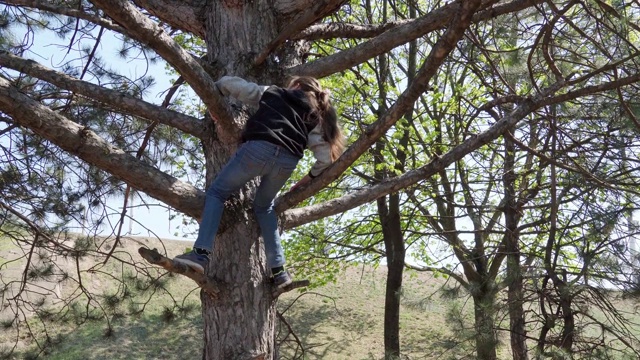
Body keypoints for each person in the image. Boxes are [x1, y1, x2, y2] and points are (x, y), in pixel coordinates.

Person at [173, 75, 345, 289]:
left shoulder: (274, 92)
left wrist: (213, 96)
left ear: (297, 86)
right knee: (264, 208)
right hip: (286, 162)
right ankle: (279, 271)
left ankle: (200, 255)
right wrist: (308, 178)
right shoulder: (314, 115)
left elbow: (233, 85)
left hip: (257, 150)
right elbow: (326, 158)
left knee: (217, 193)